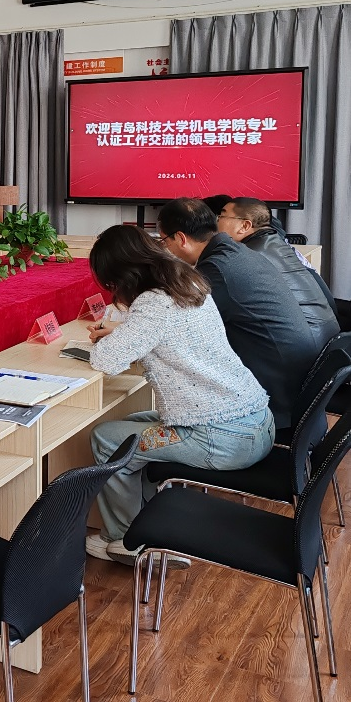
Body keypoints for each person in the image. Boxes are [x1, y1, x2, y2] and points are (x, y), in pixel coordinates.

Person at [84, 224, 274, 564]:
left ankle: (127, 541)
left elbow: (105, 360)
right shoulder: (187, 281)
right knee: (131, 424)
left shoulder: (152, 303)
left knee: (107, 439)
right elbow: (168, 332)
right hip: (256, 422)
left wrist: (115, 335)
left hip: (218, 436)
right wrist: (127, 330)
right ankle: (151, 524)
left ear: (122, 275)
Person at [156, 197, 322, 428]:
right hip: (295, 388)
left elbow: (180, 325)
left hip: (273, 403)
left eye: (164, 241)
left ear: (181, 239)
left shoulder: (216, 269)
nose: (165, 248)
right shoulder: (236, 252)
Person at [218, 196, 339, 340]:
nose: (216, 221)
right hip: (327, 337)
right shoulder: (278, 245)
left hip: (303, 342)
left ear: (245, 226)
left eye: (221, 216)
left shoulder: (247, 256)